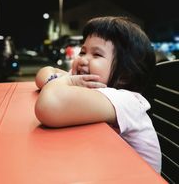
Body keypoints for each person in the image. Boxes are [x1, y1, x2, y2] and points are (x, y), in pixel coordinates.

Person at [35, 16, 162, 173]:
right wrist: (66, 80)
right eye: (82, 52)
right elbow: (46, 73)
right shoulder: (87, 85)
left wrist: (64, 82)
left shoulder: (126, 100)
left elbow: (48, 106)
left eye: (96, 55)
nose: (82, 60)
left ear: (124, 76)